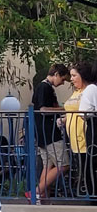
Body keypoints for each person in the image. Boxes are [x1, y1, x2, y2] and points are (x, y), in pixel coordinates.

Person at [29, 63, 69, 202]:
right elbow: (43, 109)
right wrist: (64, 109)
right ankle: (36, 192)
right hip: (50, 133)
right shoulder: (44, 87)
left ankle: (41, 197)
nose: (63, 83)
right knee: (63, 165)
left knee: (48, 166)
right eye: (63, 79)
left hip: (42, 133)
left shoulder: (43, 87)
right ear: (56, 74)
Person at [67, 62, 97, 198]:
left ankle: (92, 197)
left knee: (89, 167)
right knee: (86, 168)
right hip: (76, 136)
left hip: (86, 133)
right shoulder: (78, 91)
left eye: (74, 75)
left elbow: (84, 112)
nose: (71, 79)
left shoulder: (90, 89)